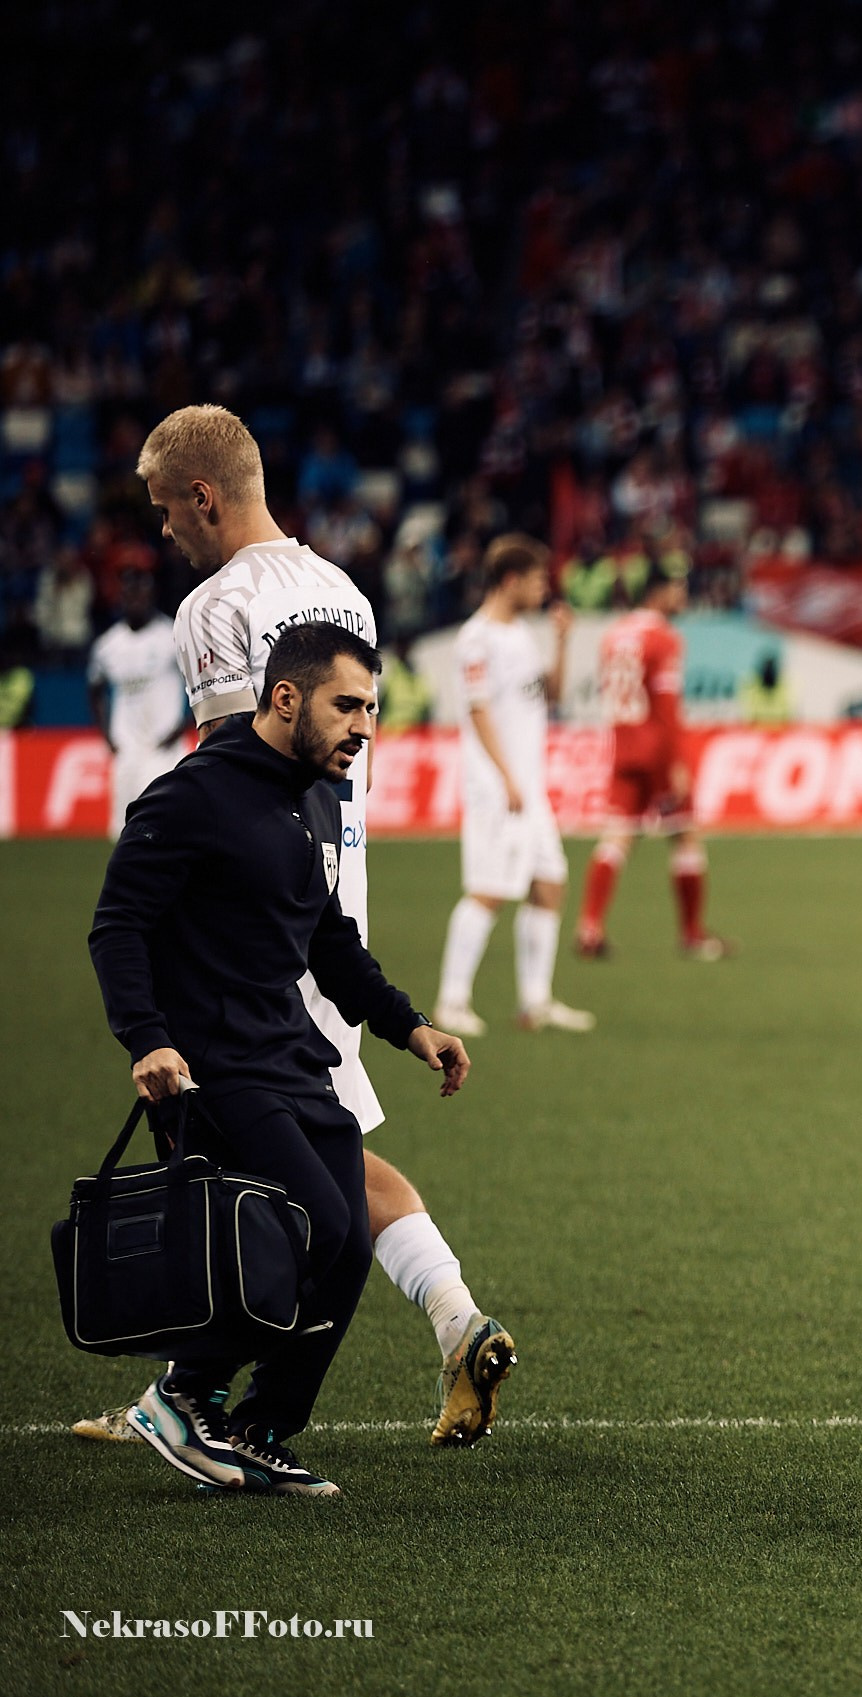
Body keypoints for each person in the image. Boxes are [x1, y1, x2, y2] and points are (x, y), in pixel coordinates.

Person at [70, 404, 517, 1452]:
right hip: (333, 898)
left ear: (203, 497)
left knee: (242, 1140)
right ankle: (450, 1320)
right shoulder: (340, 588)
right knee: (321, 1142)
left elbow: (239, 775)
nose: (163, 533)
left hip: (259, 919)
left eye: (163, 511)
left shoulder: (213, 606)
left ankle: (195, 1394)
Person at [89, 622, 474, 1495]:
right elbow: (117, 926)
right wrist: (147, 1036)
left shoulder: (313, 796)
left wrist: (408, 1023)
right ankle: (181, 1395)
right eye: (347, 704)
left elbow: (329, 942)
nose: (365, 725)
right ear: (285, 698)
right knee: (320, 1227)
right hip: (212, 1066)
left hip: (292, 1059)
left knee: (343, 1248)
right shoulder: (189, 796)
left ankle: (263, 1426)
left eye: (372, 707)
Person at [434, 535, 594, 1034]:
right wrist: (505, 777)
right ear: (510, 580)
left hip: (528, 786)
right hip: (497, 785)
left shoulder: (521, 634)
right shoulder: (476, 639)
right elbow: (477, 710)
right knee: (489, 890)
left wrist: (563, 641)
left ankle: (535, 1002)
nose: (544, 588)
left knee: (549, 885)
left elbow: (551, 695)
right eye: (537, 579)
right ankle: (451, 1001)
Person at [578, 564, 729, 960]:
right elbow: (665, 705)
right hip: (656, 748)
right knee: (686, 835)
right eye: (678, 589)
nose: (682, 597)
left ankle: (590, 926)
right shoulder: (663, 638)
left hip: (623, 743)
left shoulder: (614, 635)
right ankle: (693, 934)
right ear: (658, 592)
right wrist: (676, 762)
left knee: (616, 838)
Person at [87, 566, 190, 837]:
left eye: (141, 593)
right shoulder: (108, 645)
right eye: (129, 594)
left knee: (167, 827)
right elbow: (94, 687)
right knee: (124, 832)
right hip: (126, 749)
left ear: (151, 595)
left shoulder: (172, 635)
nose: (135, 599)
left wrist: (182, 726)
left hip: (163, 749)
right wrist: (107, 735)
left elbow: (200, 680)